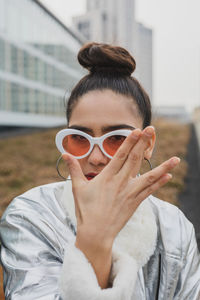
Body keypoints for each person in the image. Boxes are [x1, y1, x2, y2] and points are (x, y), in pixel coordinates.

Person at [0, 42, 200, 300]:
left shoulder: (175, 227)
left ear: (147, 144)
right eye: (79, 139)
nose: (96, 157)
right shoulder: (30, 215)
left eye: (116, 138)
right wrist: (94, 239)